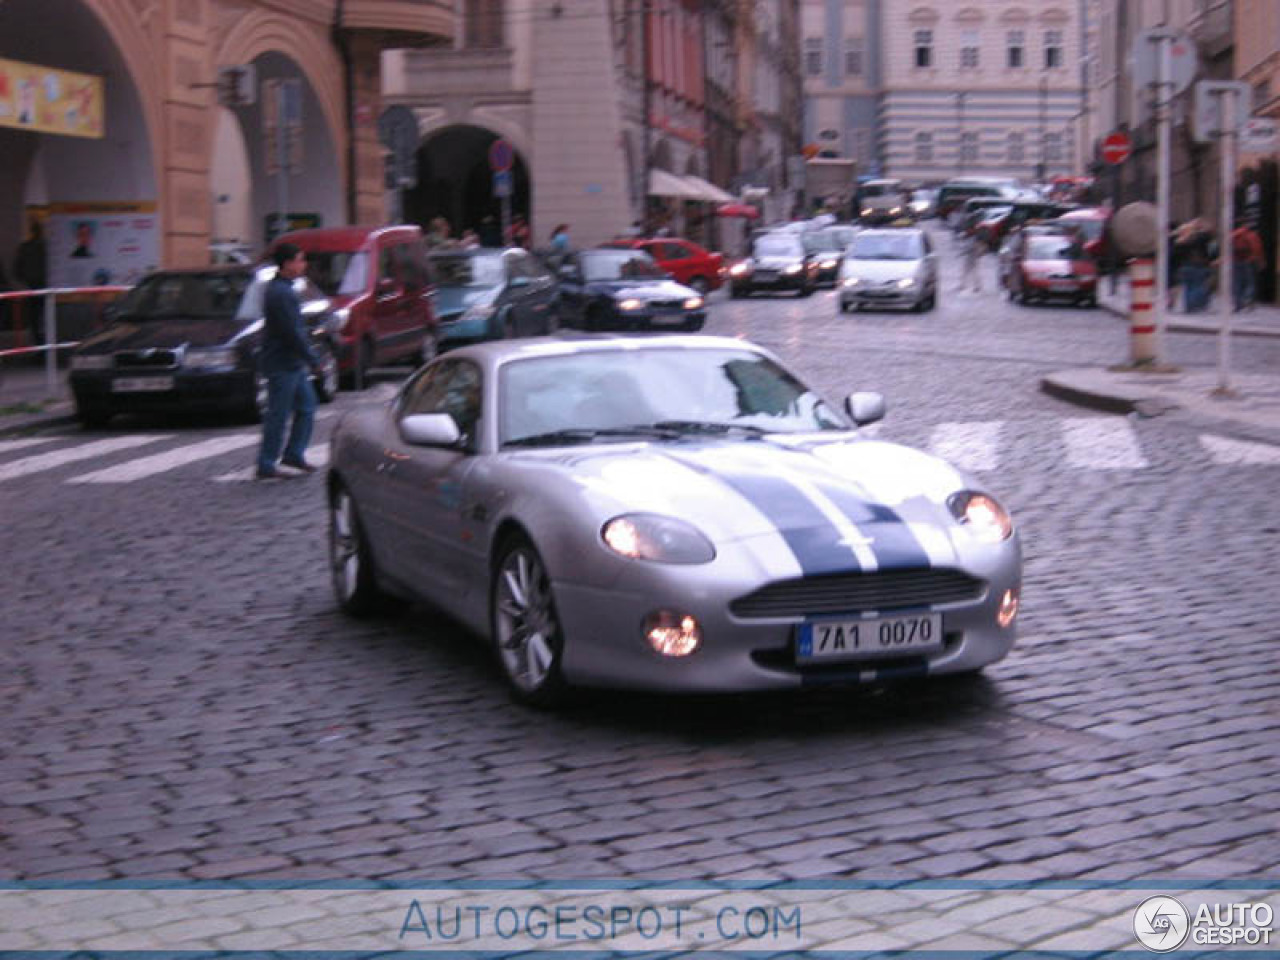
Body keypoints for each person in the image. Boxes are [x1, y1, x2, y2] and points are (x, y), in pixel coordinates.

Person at [255, 243, 320, 480]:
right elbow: (292, 332)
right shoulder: (281, 293)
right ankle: (266, 463)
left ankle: (293, 453)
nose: (303, 264)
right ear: (288, 263)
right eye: (300, 260)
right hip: (282, 363)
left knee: (306, 407)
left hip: (292, 363)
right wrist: (312, 359)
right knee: (279, 414)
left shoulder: (284, 289)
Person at [14, 220, 47, 345]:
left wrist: (25, 280)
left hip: (32, 286)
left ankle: (39, 345)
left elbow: (17, 269)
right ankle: (42, 346)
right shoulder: (46, 247)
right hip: (43, 286)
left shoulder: (25, 247)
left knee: (35, 318)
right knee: (43, 317)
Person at [1230, 220, 1263, 311]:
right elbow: (1257, 249)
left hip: (1235, 261)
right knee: (1250, 283)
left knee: (1237, 283)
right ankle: (1247, 300)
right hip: (1248, 261)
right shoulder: (1251, 235)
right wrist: (1260, 261)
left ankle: (1238, 304)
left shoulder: (1233, 235)